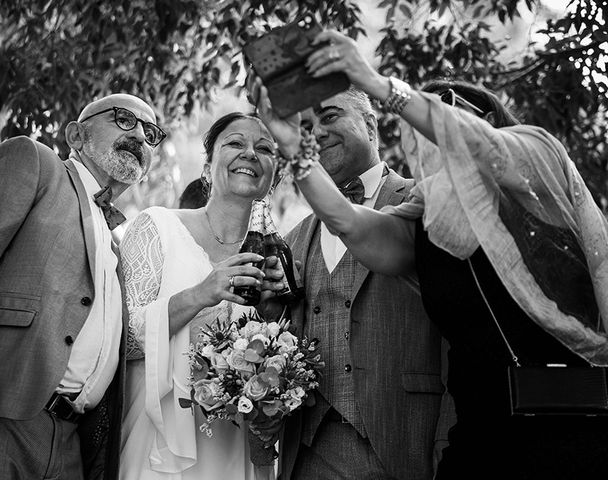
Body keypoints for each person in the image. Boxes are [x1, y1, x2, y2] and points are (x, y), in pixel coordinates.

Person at [252, 29, 608, 480]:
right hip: (480, 439)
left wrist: (379, 84)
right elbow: (348, 220)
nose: (430, 135)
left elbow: (480, 146)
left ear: (491, 122)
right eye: (421, 129)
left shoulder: (539, 162)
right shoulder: (424, 217)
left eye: (449, 113)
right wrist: (292, 145)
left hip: (569, 429)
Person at [260, 86, 453, 480]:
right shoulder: (294, 238)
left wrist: (448, 441)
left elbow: (458, 332)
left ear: (370, 124)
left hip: (408, 441)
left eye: (330, 117)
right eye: (307, 126)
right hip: (311, 452)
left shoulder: (427, 202)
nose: (318, 133)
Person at [0, 93, 165, 479]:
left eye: (151, 132)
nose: (141, 135)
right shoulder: (34, 163)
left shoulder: (118, 242)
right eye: (125, 119)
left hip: (73, 445)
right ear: (76, 135)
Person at [118, 112, 280, 480]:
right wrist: (201, 294)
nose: (250, 154)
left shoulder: (280, 257)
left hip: (236, 446)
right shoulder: (157, 226)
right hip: (158, 443)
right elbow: (122, 342)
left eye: (265, 148)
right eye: (235, 143)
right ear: (207, 167)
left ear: (275, 177)